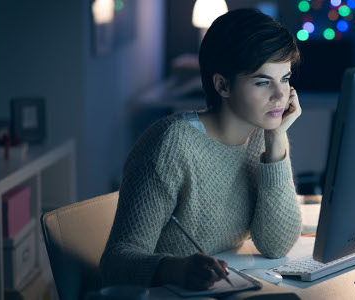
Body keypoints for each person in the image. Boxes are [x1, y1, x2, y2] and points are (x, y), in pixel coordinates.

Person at [100, 8, 303, 291]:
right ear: (222, 85)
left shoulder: (263, 135)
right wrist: (175, 268)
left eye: (285, 78)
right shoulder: (171, 143)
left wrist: (277, 141)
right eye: (262, 81)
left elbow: (276, 245)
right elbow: (114, 264)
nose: (281, 96)